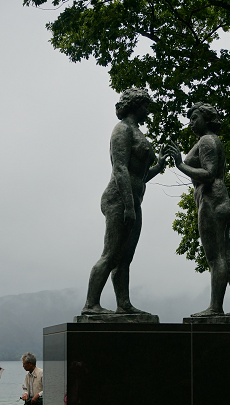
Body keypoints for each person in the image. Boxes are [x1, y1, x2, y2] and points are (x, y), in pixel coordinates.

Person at [81, 87, 168, 315]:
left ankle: (124, 304)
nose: (147, 111)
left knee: (125, 258)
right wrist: (128, 205)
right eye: (145, 106)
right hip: (118, 200)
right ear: (135, 106)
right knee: (111, 254)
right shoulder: (122, 129)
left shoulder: (136, 131)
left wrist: (159, 165)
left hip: (134, 201)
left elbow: (140, 176)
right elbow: (119, 168)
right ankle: (91, 304)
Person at [167, 103, 230, 317]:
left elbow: (209, 174)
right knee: (226, 258)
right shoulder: (209, 140)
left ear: (207, 119)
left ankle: (215, 308)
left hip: (212, 202)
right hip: (219, 201)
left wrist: (180, 165)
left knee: (216, 259)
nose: (191, 123)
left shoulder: (207, 140)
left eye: (195, 118)